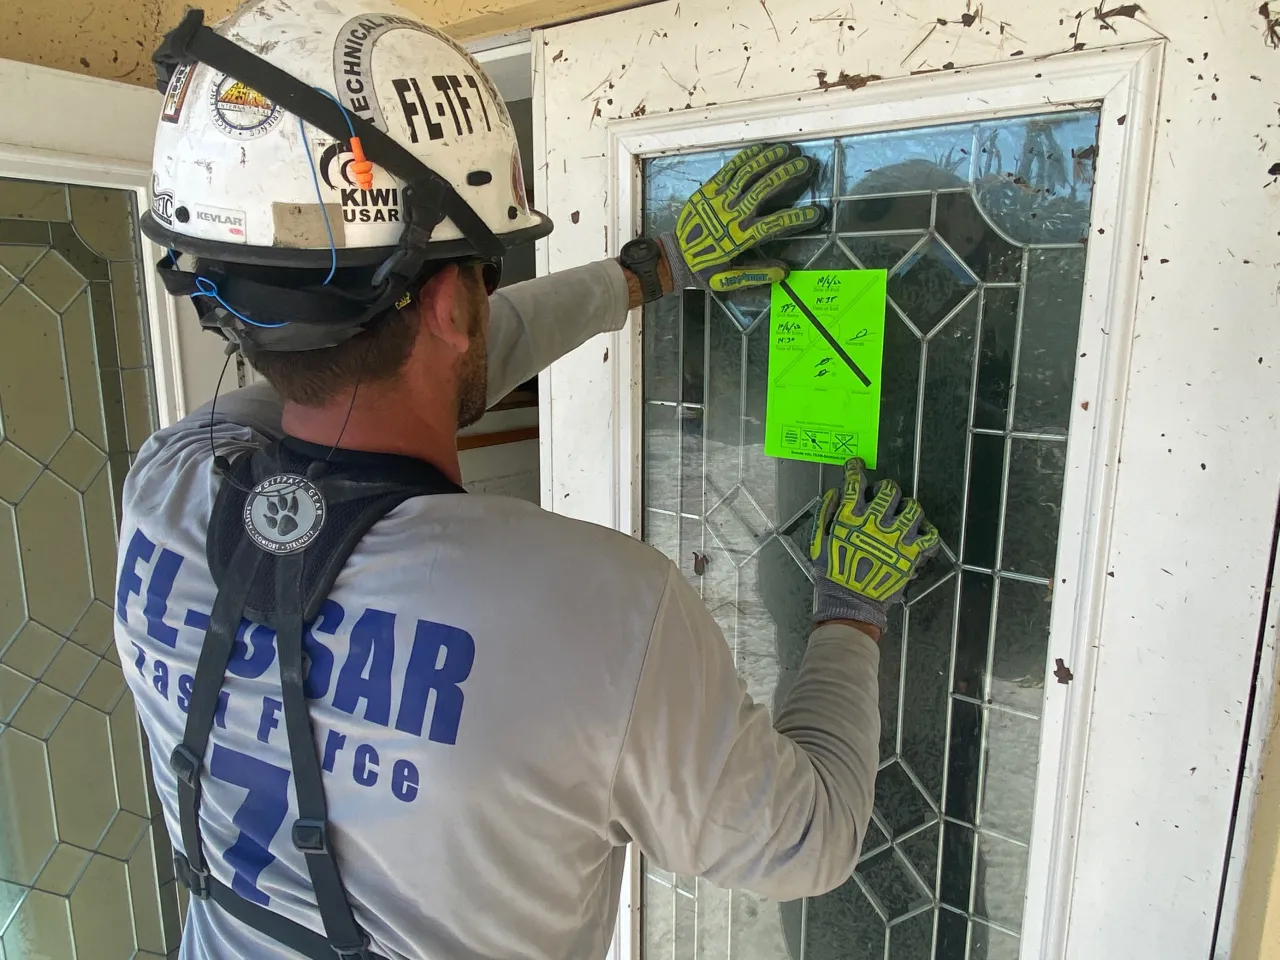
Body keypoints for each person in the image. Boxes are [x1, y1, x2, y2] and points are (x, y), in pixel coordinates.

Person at [115, 2, 941, 958]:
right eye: (485, 273)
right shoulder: (599, 611)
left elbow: (400, 371)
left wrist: (647, 272)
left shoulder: (167, 490)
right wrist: (851, 612)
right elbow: (811, 837)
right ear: (449, 303)